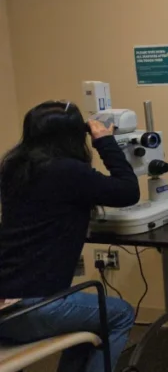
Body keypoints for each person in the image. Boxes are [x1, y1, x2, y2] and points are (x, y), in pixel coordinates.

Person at [0, 100, 140, 372]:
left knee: (91, 318)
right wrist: (104, 141)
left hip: (5, 304)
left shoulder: (14, 168)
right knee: (120, 314)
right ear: (75, 136)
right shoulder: (67, 171)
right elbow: (127, 191)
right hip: (30, 309)